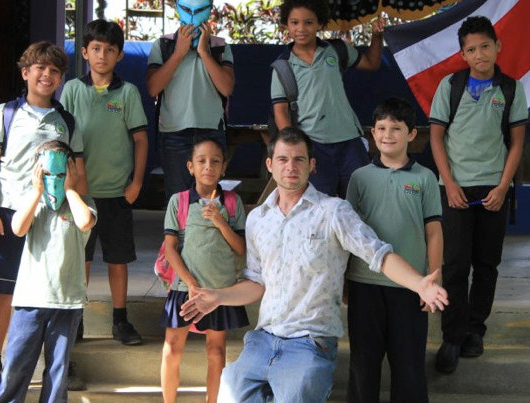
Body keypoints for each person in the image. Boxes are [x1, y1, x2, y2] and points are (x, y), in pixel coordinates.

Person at [180, 127, 449, 403]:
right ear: (270, 165)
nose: (291, 167)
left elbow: (378, 255)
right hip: (262, 342)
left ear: (312, 165)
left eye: (299, 159)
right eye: (283, 159)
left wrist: (420, 284)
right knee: (229, 389)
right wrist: (218, 296)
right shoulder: (258, 219)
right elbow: (256, 282)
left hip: (309, 344)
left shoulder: (333, 212)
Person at [0, 41, 85, 390]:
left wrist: (78, 210)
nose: (47, 75)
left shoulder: (66, 120)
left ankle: (60, 364)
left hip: (53, 218)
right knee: (1, 291)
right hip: (9, 214)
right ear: (25, 73)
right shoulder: (6, 113)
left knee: (54, 289)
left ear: (61, 78)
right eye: (40, 68)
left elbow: (78, 170)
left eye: (54, 71)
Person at [429, 16, 528, 374]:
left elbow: (517, 142)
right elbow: (437, 137)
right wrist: (449, 183)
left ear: (497, 46)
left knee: (487, 264)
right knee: (455, 265)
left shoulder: (511, 88)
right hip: (454, 187)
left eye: (485, 46)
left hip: (494, 189)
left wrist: (503, 187)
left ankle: (475, 330)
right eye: (471, 49)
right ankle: (452, 336)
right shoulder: (450, 85)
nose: (479, 54)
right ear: (463, 54)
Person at [345, 98, 443, 403]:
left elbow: (434, 231)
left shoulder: (424, 178)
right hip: (364, 285)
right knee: (363, 365)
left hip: (410, 287)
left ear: (412, 134)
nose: (388, 135)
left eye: (396, 128)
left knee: (409, 366)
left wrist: (432, 280)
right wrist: (345, 281)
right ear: (372, 133)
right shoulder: (359, 178)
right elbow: (349, 235)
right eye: (382, 128)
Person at [60, 19, 148, 346]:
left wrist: (136, 182)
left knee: (118, 258)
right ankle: (76, 319)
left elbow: (140, 139)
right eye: (96, 49)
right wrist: (67, 188)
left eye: (110, 50)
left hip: (116, 193)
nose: (102, 55)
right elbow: (62, 139)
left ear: (120, 56)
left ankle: (121, 320)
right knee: (80, 260)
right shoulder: (71, 90)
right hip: (80, 197)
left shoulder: (127, 93)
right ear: (84, 52)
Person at [0, 141, 96, 403]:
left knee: (58, 370)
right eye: (48, 174)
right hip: (30, 300)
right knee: (16, 365)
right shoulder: (32, 203)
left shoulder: (81, 204)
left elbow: (85, 222)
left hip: (67, 302)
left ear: (72, 173)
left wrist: (71, 189)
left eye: (61, 175)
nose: (54, 182)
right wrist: (36, 191)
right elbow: (17, 228)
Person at [160, 138, 249, 403]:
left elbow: (240, 249)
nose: (208, 167)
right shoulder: (180, 202)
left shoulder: (232, 203)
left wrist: (221, 222)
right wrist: (189, 282)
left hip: (220, 290)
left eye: (215, 161)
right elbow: (171, 248)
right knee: (172, 349)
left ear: (224, 168)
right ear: (190, 166)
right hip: (183, 289)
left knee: (216, 352)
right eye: (201, 161)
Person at [271, 0, 385, 198]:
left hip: (350, 142)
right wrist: (296, 148)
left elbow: (372, 63)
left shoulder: (337, 50)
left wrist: (377, 36)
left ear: (320, 24)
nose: (301, 29)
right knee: (321, 205)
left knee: (362, 201)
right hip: (314, 146)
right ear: (286, 25)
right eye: (294, 22)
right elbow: (280, 111)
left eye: (308, 22)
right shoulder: (282, 66)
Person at [146, 0, 235, 200]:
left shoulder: (220, 47)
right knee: (178, 199)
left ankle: (206, 232)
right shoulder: (163, 45)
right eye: (186, 9)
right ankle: (177, 233)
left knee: (208, 199)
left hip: (211, 131)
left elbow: (226, 87)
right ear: (177, 8)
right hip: (173, 133)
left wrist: (204, 51)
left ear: (210, 9)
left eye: (200, 9)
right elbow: (153, 87)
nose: (193, 17)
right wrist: (178, 53)